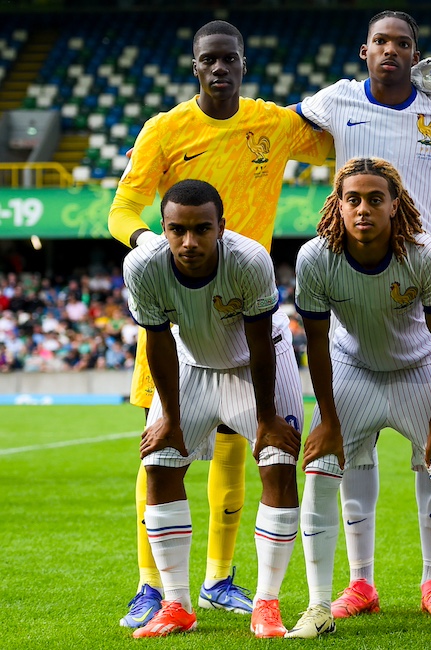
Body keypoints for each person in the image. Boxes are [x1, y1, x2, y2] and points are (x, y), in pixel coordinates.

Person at [107, 19, 331, 629]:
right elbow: (122, 207)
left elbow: (339, 140)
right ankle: (152, 586)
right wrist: (152, 243)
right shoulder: (164, 129)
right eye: (209, 59)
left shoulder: (273, 123)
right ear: (196, 66)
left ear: (242, 64)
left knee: (239, 449)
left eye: (229, 58)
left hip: (245, 299)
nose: (220, 67)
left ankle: (219, 579)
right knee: (159, 446)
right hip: (179, 305)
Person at [295, 9, 431, 620]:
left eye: (402, 43)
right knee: (343, 462)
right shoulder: (339, 99)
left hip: (419, 332)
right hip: (354, 356)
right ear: (364, 51)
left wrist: (420, 216)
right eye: (380, 42)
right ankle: (358, 584)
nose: (391, 50)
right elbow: (280, 125)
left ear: (415, 53)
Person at [123, 180, 304, 639]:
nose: (189, 241)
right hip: (192, 364)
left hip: (255, 363)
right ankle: (177, 604)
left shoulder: (249, 260)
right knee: (160, 463)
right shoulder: (142, 266)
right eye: (177, 230)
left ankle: (267, 604)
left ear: (221, 227)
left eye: (202, 229)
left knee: (278, 463)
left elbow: (259, 342)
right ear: (163, 228)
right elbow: (158, 342)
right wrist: (171, 419)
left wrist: (266, 419)